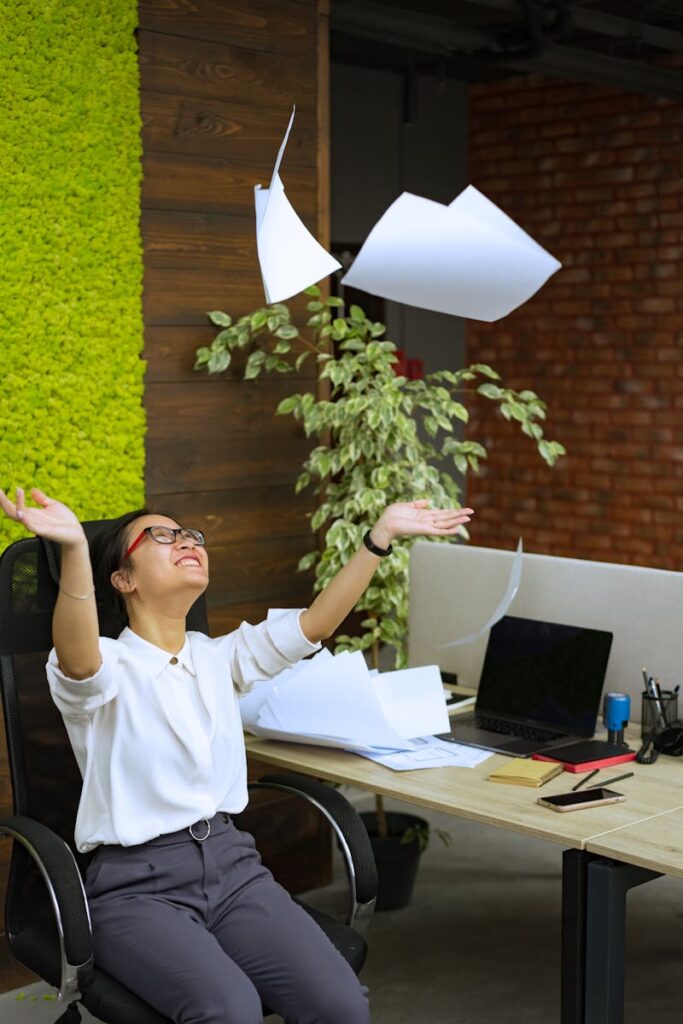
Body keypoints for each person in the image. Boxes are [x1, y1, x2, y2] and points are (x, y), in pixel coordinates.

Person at [0, 486, 473, 1024]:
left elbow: (315, 623)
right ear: (123, 580)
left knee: (339, 1004)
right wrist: (74, 551)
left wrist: (379, 538)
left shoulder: (218, 657)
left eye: (189, 534)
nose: (184, 540)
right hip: (136, 888)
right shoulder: (104, 669)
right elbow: (78, 658)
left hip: (233, 868)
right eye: (160, 535)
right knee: (228, 1010)